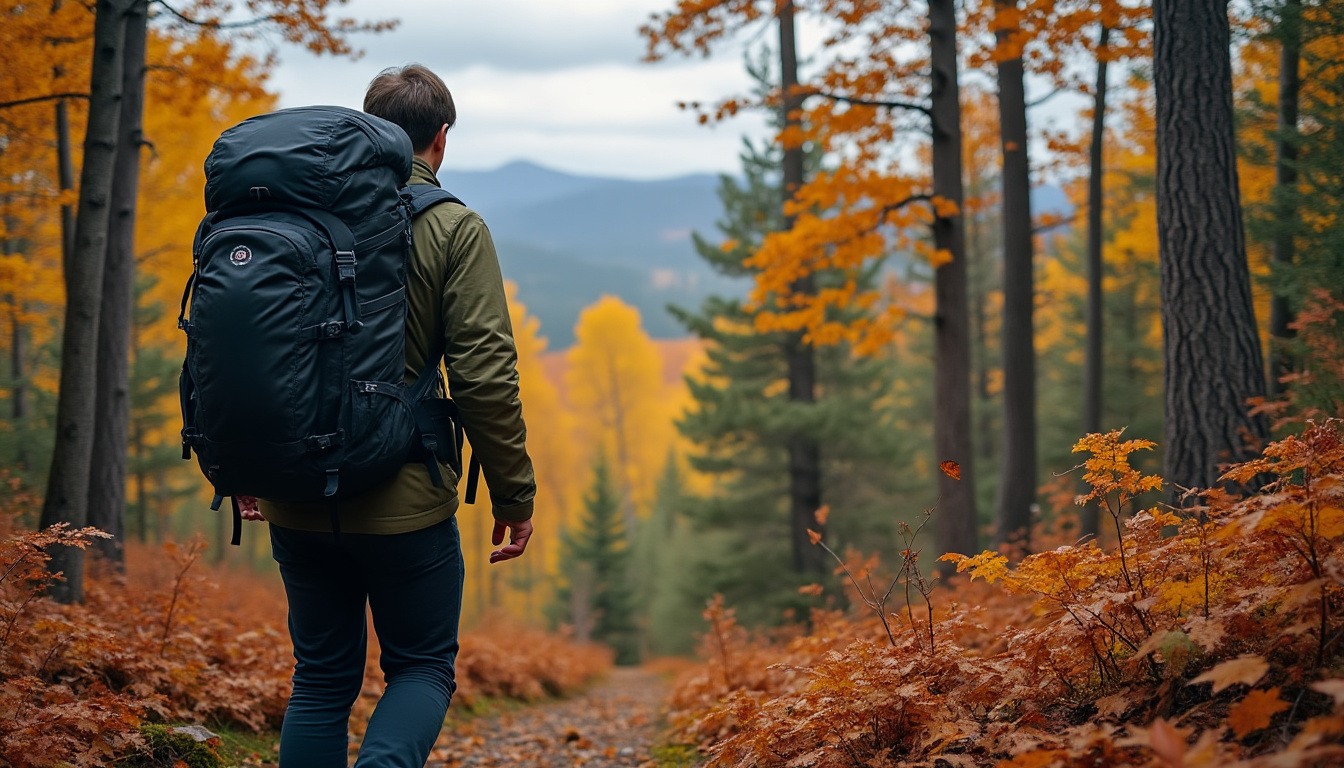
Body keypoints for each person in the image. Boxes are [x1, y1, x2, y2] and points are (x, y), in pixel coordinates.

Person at [239, 64, 537, 768]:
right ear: (441, 139)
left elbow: (240, 350)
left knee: (319, 679)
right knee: (421, 667)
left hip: (297, 490)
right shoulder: (453, 227)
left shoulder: (292, 216)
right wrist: (514, 493)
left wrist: (246, 463)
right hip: (405, 498)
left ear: (367, 127)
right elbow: (485, 377)